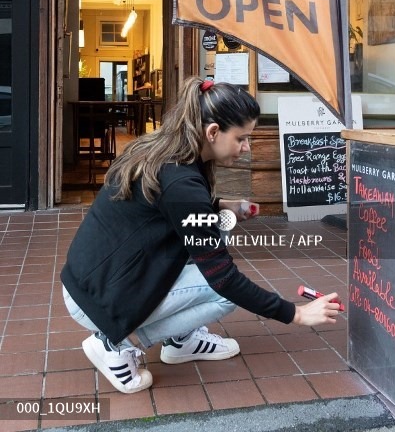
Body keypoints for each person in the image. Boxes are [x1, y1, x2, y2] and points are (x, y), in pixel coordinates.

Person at [61, 76, 341, 394]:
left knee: (219, 228)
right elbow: (224, 279)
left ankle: (181, 340)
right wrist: (296, 313)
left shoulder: (162, 151)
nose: (247, 148)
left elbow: (163, 206)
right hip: (98, 299)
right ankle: (112, 343)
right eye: (241, 138)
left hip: (92, 278)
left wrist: (220, 205)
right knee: (223, 291)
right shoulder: (181, 183)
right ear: (212, 132)